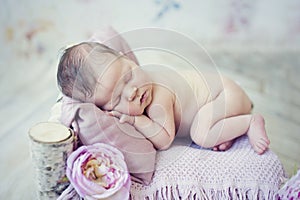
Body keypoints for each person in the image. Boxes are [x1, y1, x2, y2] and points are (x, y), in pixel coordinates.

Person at [57, 41, 270, 154]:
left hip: (225, 94)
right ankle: (226, 132)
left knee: (201, 134)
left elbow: (165, 139)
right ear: (105, 110)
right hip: (220, 101)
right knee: (205, 126)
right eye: (117, 100)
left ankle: (250, 122)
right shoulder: (139, 90)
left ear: (128, 60)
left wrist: (135, 119)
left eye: (129, 76)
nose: (132, 92)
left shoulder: (158, 94)